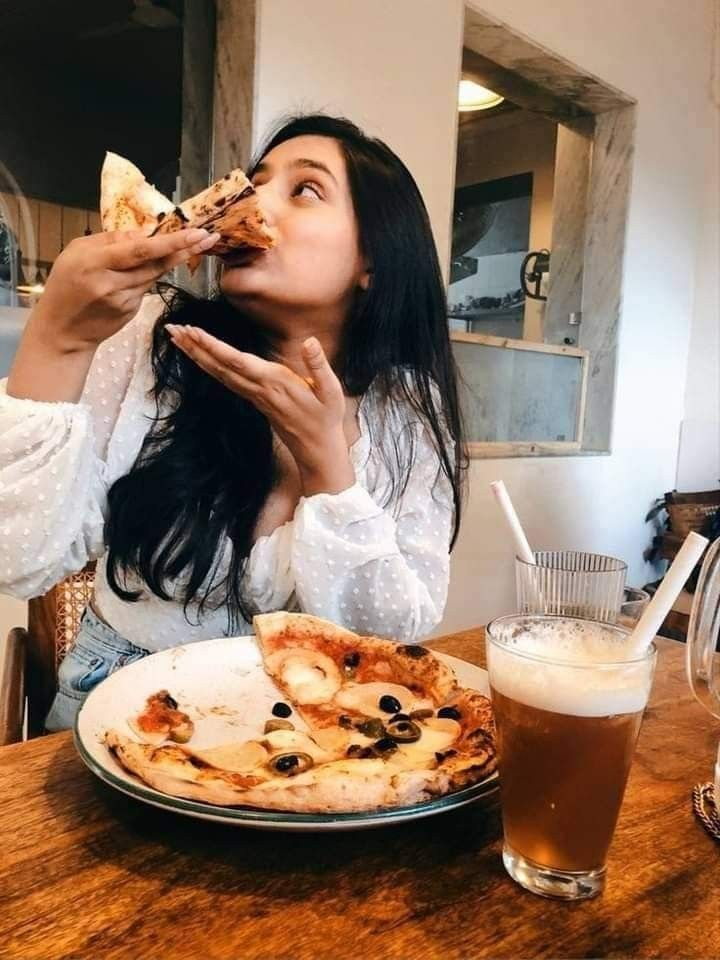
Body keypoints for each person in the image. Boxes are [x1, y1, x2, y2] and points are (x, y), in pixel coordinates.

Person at [0, 114, 465, 730]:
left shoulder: (406, 414)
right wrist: (57, 340)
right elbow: (16, 557)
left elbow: (389, 635)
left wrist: (327, 462)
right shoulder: (150, 342)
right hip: (119, 706)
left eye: (304, 189)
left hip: (316, 728)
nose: (244, 200)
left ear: (372, 260)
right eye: (253, 181)